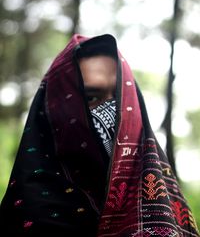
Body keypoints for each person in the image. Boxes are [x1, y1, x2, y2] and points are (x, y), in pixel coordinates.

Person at [0, 34, 199, 236]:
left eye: (121, 99)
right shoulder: (29, 213)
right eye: (91, 98)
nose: (113, 112)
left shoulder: (169, 207)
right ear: (55, 107)